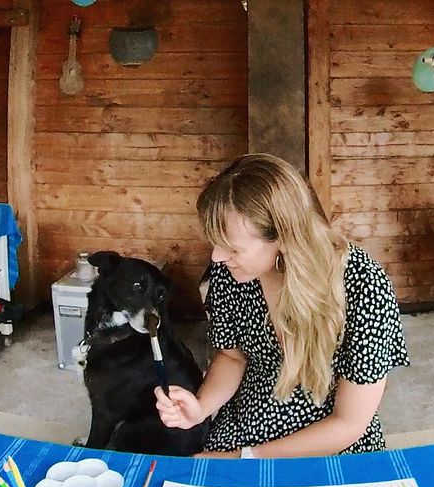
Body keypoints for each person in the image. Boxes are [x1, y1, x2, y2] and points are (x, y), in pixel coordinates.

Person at [154, 153, 408, 458]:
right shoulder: (230, 272)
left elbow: (349, 423)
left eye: (232, 247)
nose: (216, 258)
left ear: (284, 237)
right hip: (248, 420)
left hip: (329, 440)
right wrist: (200, 408)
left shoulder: (363, 285)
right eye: (216, 243)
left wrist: (246, 458)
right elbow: (232, 358)